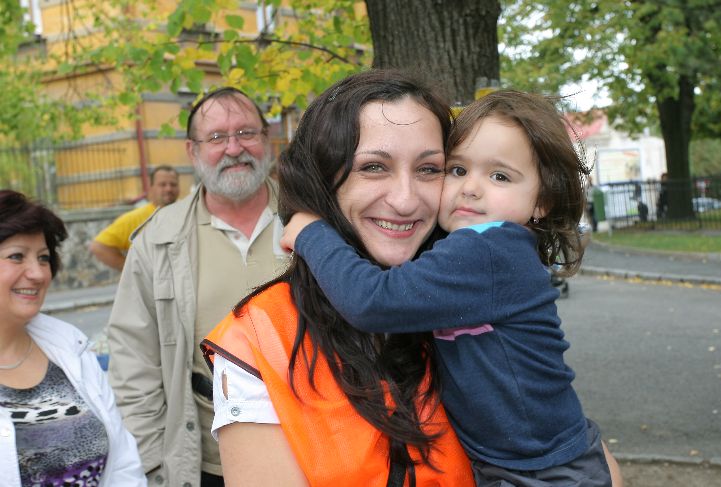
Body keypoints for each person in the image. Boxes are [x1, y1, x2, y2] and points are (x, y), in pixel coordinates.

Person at [281, 90, 621, 486]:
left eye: (499, 176)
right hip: (514, 459)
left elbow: (373, 301)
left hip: (544, 470)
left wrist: (312, 232)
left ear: (542, 201)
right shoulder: (471, 249)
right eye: (457, 170)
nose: (471, 188)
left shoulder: (490, 250)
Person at [201, 70, 476, 486]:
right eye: (373, 167)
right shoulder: (260, 335)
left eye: (429, 169)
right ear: (321, 180)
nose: (405, 200)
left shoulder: (471, 300)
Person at [107, 87, 289, 486]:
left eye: (246, 133)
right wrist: (152, 463)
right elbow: (133, 361)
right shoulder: (158, 240)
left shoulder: (310, 219)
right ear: (192, 151)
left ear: (266, 139)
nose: (233, 148)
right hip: (206, 463)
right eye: (217, 137)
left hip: (313, 451)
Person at [0, 189, 145, 486]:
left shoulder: (70, 347)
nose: (38, 273)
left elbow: (123, 464)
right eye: (16, 256)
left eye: (43, 258)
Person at [90, 165, 180, 271]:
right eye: (162, 184)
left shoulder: (188, 213)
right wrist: (134, 271)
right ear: (151, 188)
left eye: (173, 184)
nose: (169, 189)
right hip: (151, 281)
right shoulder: (135, 218)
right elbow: (99, 247)